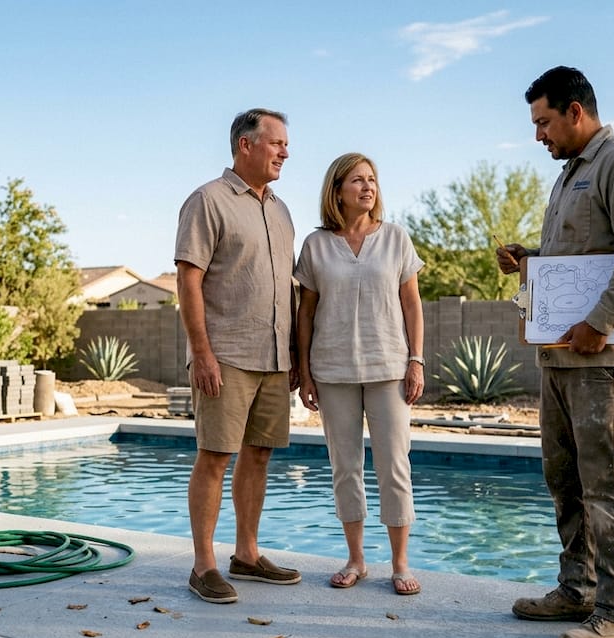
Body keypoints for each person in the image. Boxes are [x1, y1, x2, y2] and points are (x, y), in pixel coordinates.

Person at [496, 66, 614, 638]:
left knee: (608, 483)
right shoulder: (569, 176)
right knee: (564, 478)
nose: (538, 134)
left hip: (608, 357)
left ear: (576, 111)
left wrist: (598, 322)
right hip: (563, 359)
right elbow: (581, 256)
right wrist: (529, 260)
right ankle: (579, 589)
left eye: (543, 121)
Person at [175, 108, 301, 604]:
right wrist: (202, 352)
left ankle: (246, 554)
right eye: (276, 143)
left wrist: (293, 354)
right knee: (215, 455)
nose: (285, 152)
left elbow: (286, 288)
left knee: (260, 454)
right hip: (224, 353)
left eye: (286, 145)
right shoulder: (208, 201)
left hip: (273, 356)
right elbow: (188, 278)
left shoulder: (281, 209)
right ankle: (203, 564)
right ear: (245, 145)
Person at [295, 152, 426, 596]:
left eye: (372, 180)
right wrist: (305, 369)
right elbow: (305, 312)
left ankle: (400, 562)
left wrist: (416, 360)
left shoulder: (395, 238)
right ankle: (356, 559)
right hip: (332, 370)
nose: (367, 187)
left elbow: (412, 304)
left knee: (394, 466)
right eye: (357, 180)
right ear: (337, 191)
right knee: (344, 468)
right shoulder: (316, 246)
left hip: (389, 367)